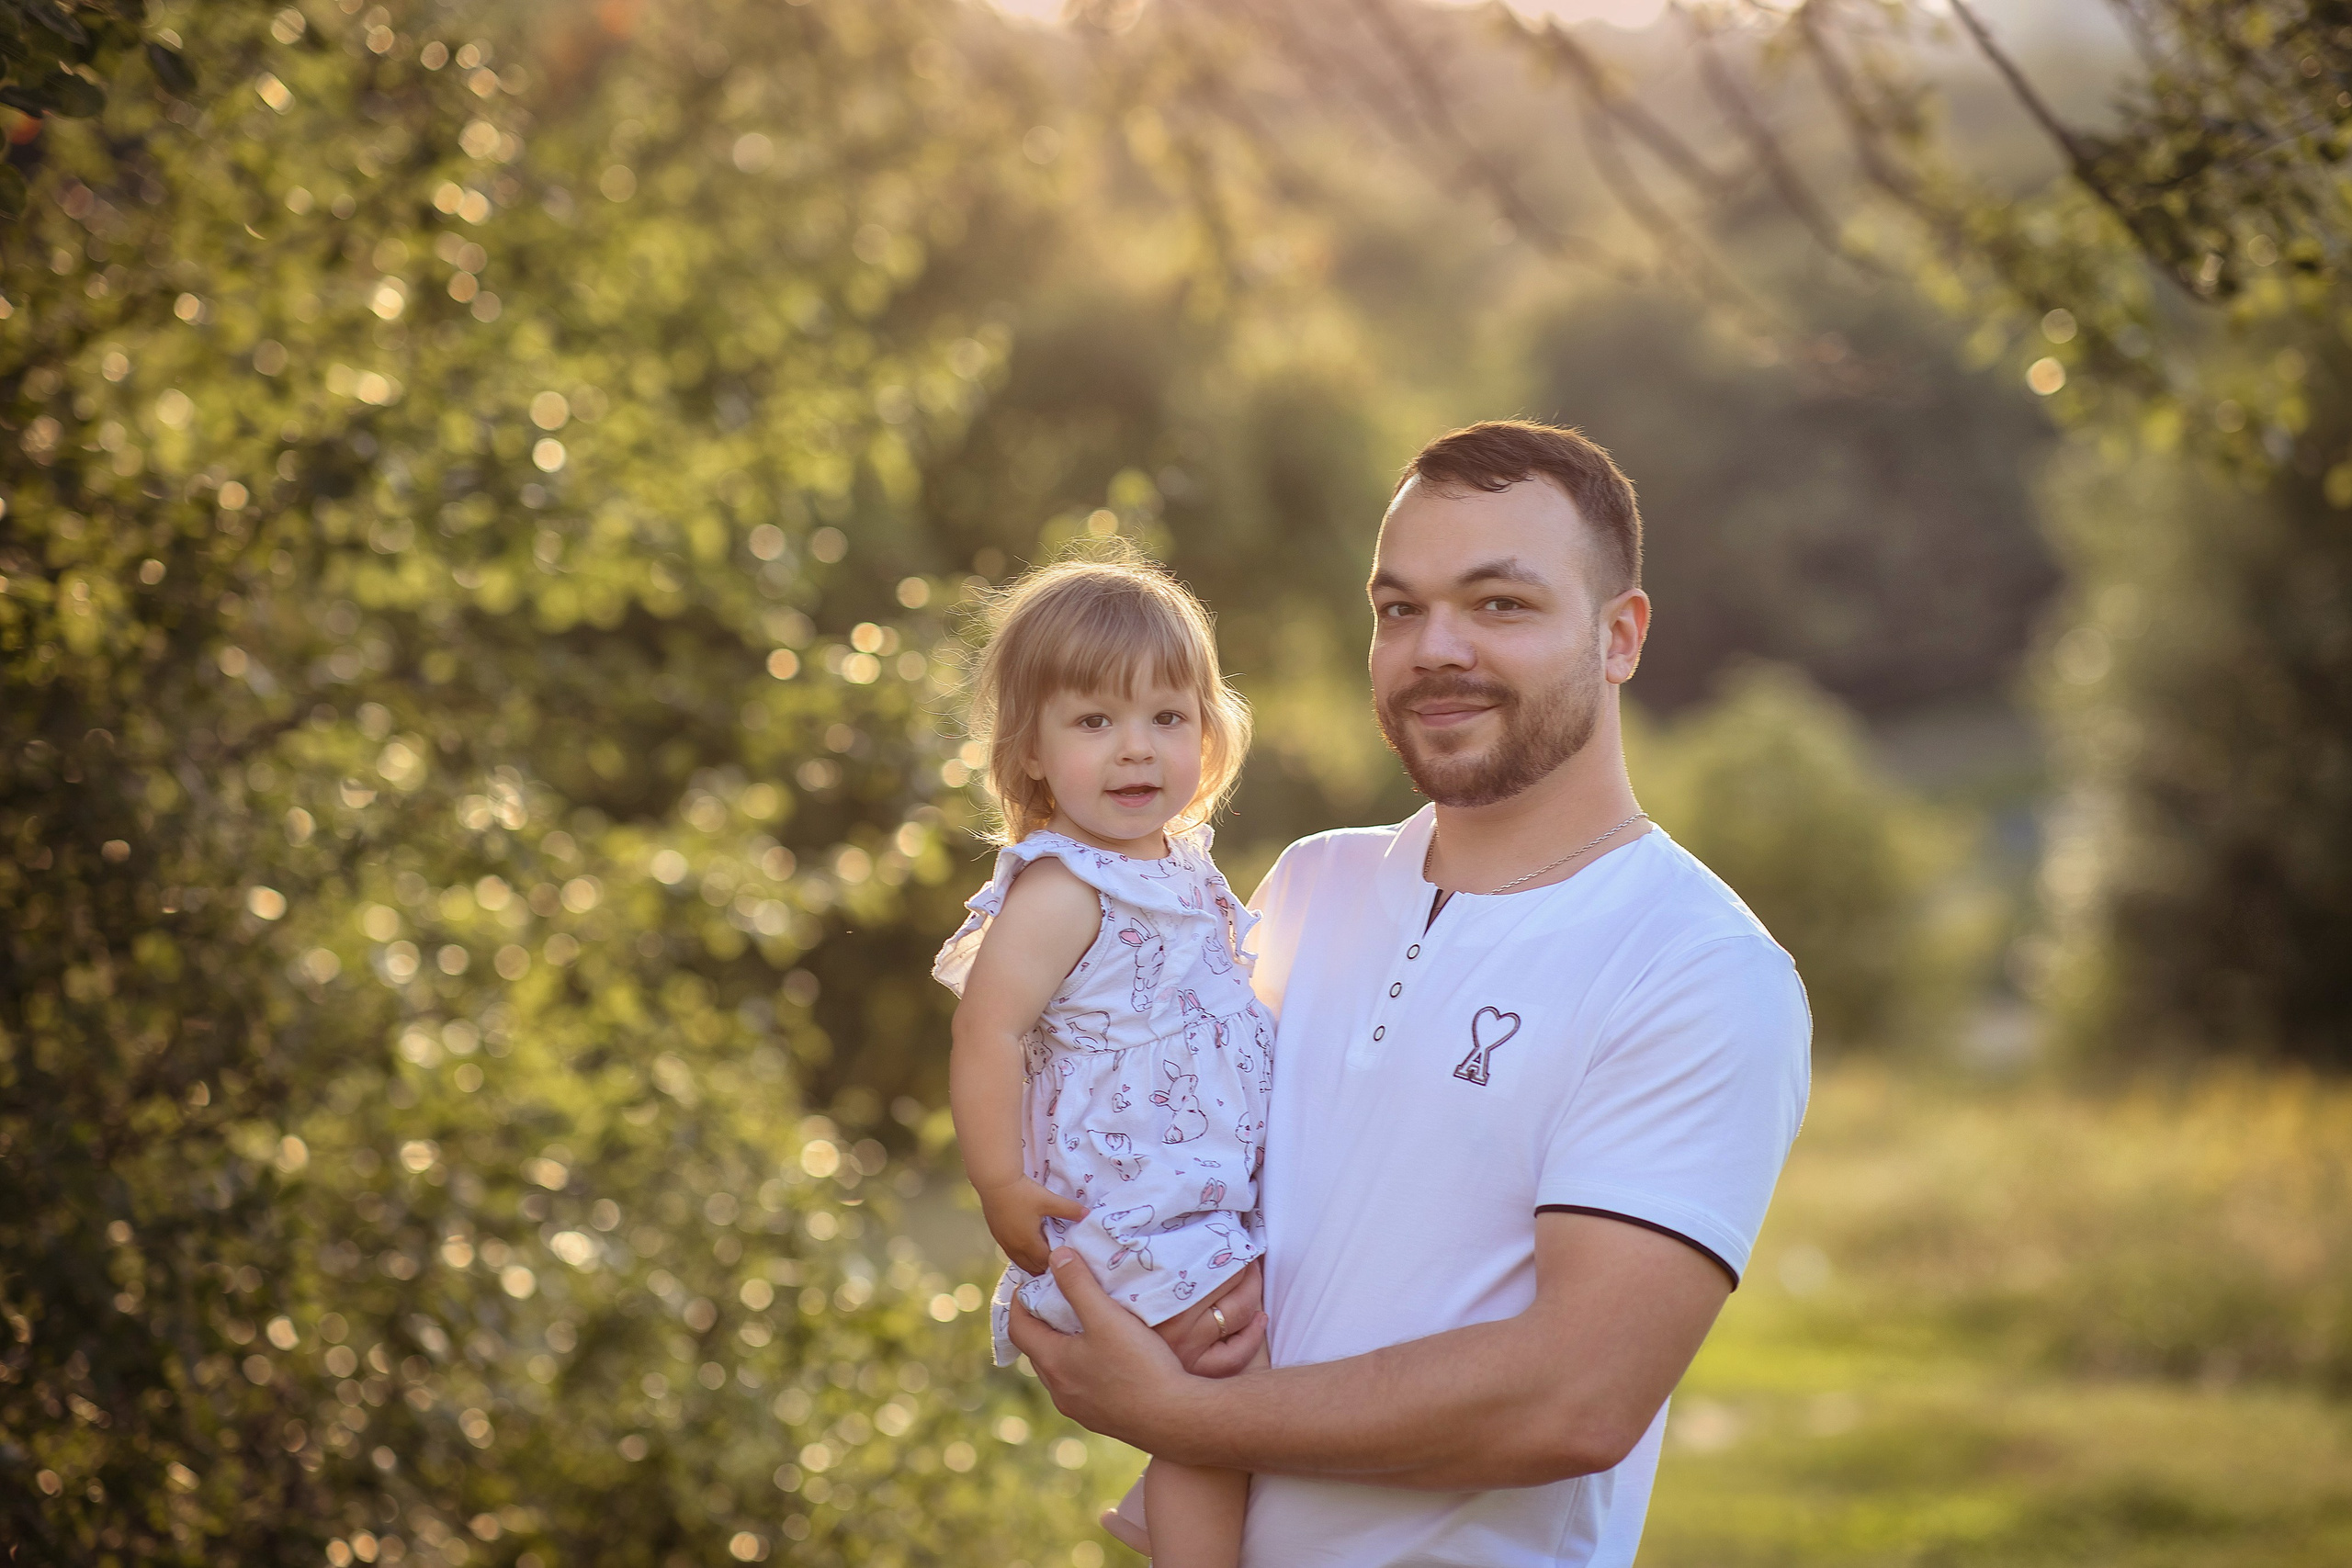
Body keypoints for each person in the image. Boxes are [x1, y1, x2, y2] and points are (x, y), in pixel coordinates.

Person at [1008, 420, 1814, 1567]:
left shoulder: (1695, 966)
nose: (1436, 649)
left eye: (1499, 604)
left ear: (1619, 636)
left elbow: (1576, 1399)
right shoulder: (1307, 886)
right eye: (1399, 609)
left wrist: (1178, 1416)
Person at [932, 555, 1276, 1568]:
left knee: (1254, 1370)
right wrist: (1000, 1183)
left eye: (1166, 717)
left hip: (1195, 1192)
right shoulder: (1063, 888)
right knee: (1222, 1400)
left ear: (1207, 732)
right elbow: (987, 1032)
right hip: (1128, 1205)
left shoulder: (1180, 864)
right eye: (1094, 721)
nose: (1136, 749)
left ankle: (1164, 1514)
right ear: (1031, 752)